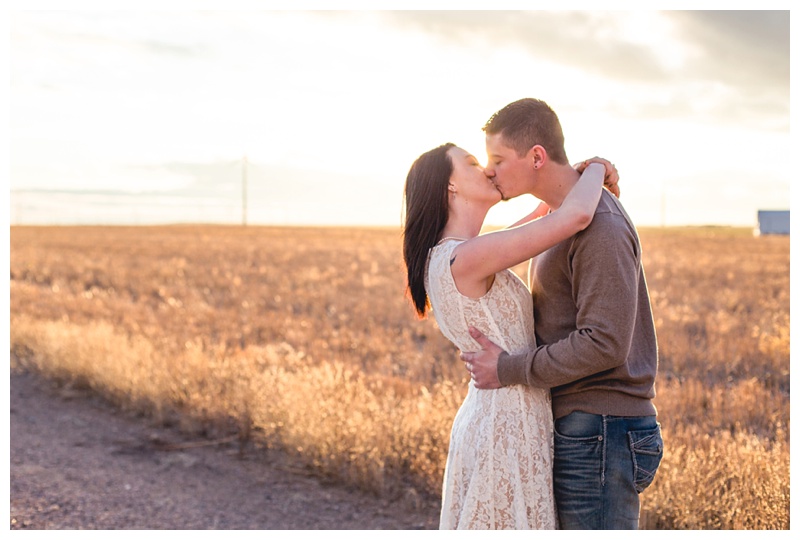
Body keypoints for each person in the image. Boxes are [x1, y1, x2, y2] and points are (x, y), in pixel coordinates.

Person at [461, 98, 663, 530]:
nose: (489, 170)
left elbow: (604, 342)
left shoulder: (600, 225)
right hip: (589, 429)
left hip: (603, 431)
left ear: (536, 156)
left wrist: (508, 368)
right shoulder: (562, 217)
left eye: (498, 159)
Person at [402, 141, 618, 529]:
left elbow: (546, 214)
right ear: (448, 187)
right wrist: (597, 169)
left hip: (497, 418)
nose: (486, 169)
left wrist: (564, 182)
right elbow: (576, 216)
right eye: (470, 163)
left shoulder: (459, 254)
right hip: (506, 427)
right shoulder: (465, 258)